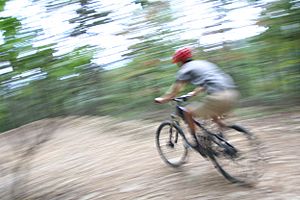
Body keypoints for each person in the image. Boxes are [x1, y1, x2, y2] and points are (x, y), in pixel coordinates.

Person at [155, 47, 239, 137]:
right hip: (232, 94)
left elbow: (175, 90)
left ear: (180, 61)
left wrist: (164, 99)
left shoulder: (185, 69)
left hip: (218, 98)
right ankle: (222, 132)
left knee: (187, 112)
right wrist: (193, 93)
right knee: (212, 112)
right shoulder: (204, 64)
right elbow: (207, 82)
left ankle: (196, 139)